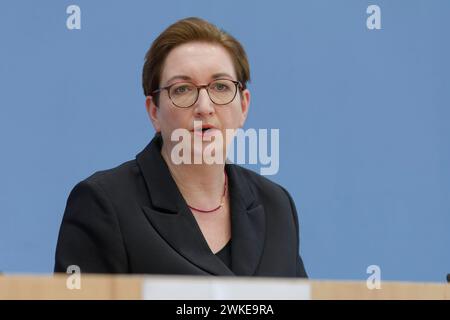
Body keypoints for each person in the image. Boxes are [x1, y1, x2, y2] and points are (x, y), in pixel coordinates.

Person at [54, 17, 307, 277]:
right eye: (183, 89)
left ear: (243, 106)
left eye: (220, 87)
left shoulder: (276, 205)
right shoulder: (103, 204)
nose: (205, 107)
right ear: (154, 112)